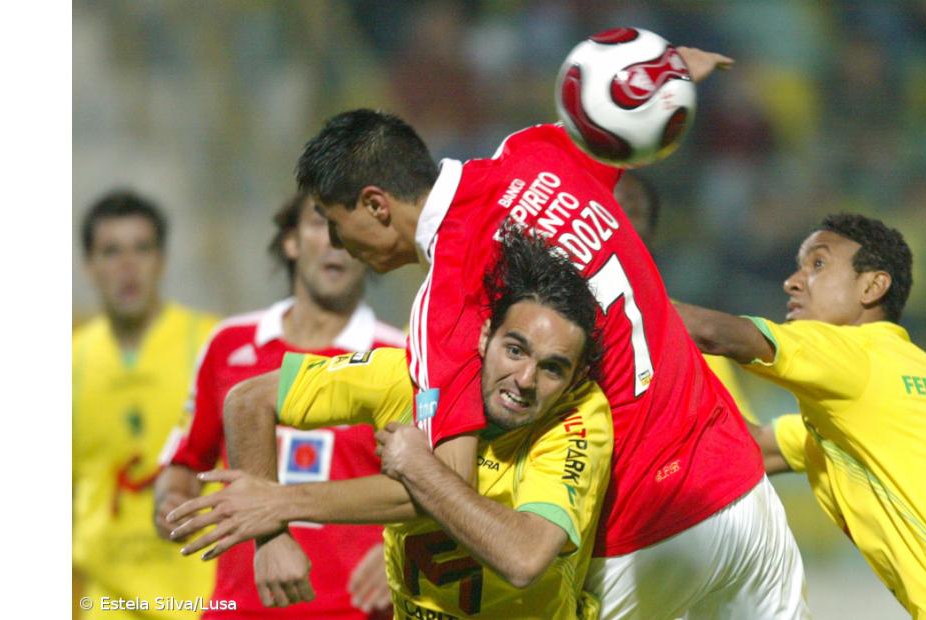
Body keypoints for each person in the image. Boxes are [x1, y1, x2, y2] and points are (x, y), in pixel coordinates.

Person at [171, 46, 808, 619]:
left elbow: (442, 490)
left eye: (338, 225)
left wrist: (284, 504)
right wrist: (662, 73)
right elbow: (612, 118)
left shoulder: (448, 303)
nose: (339, 245)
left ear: (375, 205)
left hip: (643, 532)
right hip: (738, 491)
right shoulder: (535, 151)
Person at [173, 229, 613, 618]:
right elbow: (248, 400)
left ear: (574, 378)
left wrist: (418, 468)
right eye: (514, 350)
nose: (525, 380)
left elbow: (524, 557)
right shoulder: (409, 375)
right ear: (484, 338)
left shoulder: (578, 419)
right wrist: (269, 533)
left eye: (553, 368)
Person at [675, 213, 926, 619]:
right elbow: (750, 448)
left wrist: (608, 288)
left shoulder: (859, 355)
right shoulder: (908, 379)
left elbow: (710, 332)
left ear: (872, 286)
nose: (792, 281)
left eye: (818, 264)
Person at [153, 193, 404, 618]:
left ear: (370, 249)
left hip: (355, 612)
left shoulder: (399, 357)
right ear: (290, 241)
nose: (334, 241)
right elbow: (185, 463)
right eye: (319, 224)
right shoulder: (229, 344)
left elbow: (439, 488)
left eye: (350, 229)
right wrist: (172, 503)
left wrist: (398, 554)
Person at [73, 190, 219, 619]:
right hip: (105, 605)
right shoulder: (71, 363)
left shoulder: (211, 346)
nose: (127, 266)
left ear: (162, 260)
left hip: (199, 601)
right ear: (89, 266)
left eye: (142, 248)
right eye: (111, 251)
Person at [613, 171, 760, 425]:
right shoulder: (536, 315)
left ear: (652, 234)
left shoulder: (688, 330)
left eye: (629, 210)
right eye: (602, 206)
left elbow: (738, 432)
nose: (611, 222)